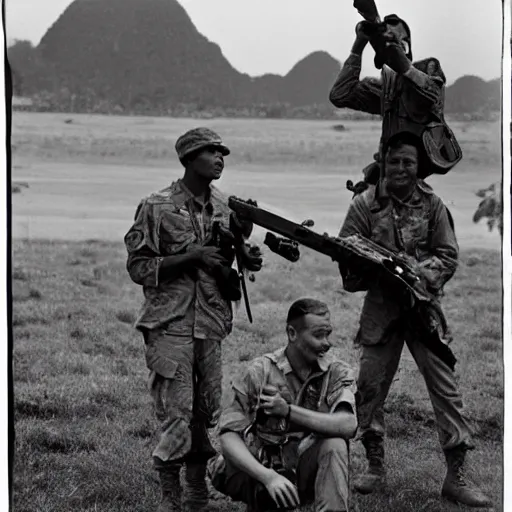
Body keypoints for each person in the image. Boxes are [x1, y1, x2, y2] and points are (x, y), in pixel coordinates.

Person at [337, 130, 492, 508]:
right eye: (395, 162)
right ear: (383, 162)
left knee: (447, 392)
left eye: (408, 162)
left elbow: (448, 255)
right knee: (369, 390)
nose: (402, 168)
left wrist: (414, 272)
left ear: (417, 165)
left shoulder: (434, 205)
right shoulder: (364, 205)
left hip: (424, 312)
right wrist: (374, 268)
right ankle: (375, 468)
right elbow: (346, 257)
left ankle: (457, 477)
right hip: (381, 311)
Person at [124, 127, 263, 512]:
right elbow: (138, 266)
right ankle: (171, 498)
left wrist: (244, 255)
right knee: (177, 413)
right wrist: (192, 257)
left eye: (222, 152)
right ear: (188, 158)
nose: (220, 158)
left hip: (211, 324)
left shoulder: (226, 206)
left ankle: (197, 493)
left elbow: (226, 259)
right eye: (211, 152)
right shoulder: (156, 206)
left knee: (206, 410)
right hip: (169, 323)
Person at [209, 298, 357, 512]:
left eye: (328, 334)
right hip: (261, 470)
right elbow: (228, 436)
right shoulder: (261, 370)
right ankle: (264, 498)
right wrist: (268, 477)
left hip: (304, 469)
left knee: (335, 444)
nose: (326, 343)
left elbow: (348, 425)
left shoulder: (336, 372)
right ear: (292, 333)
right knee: (232, 464)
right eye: (318, 335)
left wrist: (288, 411)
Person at [329, 14, 461, 192]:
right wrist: (359, 45)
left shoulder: (427, 71)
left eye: (395, 39)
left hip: (413, 183)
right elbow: (340, 95)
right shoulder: (386, 89)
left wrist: (398, 57)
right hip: (386, 179)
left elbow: (430, 93)